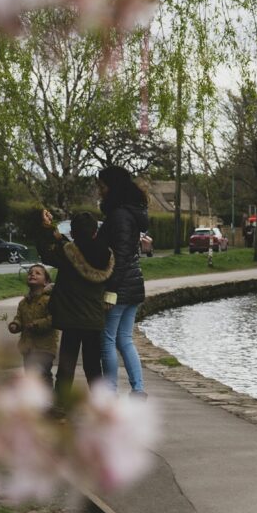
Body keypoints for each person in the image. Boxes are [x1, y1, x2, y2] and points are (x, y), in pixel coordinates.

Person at [37, 209, 114, 405]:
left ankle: (61, 407)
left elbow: (47, 254)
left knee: (66, 366)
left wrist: (45, 229)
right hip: (94, 319)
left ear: (73, 232)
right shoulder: (105, 254)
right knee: (93, 367)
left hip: (71, 318)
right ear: (95, 232)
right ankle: (102, 407)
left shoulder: (67, 253)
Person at [97, 165, 149, 396]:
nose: (100, 191)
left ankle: (110, 392)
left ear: (113, 187)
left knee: (107, 339)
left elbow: (120, 255)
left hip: (120, 287)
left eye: (103, 186)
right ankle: (137, 390)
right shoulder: (133, 213)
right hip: (134, 284)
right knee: (124, 339)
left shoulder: (119, 216)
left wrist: (111, 290)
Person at [8, 263, 58, 388]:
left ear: (46, 282)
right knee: (30, 375)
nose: (32, 274)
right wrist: (15, 324)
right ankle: (34, 399)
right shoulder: (23, 303)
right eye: (30, 272)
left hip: (44, 348)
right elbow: (19, 317)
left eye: (37, 273)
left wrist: (37, 324)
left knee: (42, 374)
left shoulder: (49, 300)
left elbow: (54, 319)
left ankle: (47, 400)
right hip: (28, 347)